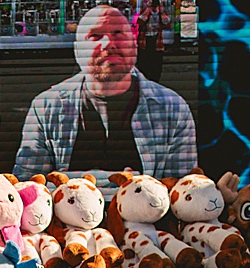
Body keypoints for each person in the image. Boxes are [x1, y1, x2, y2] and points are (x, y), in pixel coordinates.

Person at [14, 4, 196, 181]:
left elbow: (183, 193)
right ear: (77, 51)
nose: (109, 43)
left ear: (134, 45)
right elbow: (29, 186)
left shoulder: (173, 109)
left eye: (118, 34)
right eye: (95, 36)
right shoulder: (46, 106)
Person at [134, 0, 169, 82]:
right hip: (145, 40)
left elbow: (166, 22)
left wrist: (161, 9)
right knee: (144, 64)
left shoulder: (161, 13)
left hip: (157, 40)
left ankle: (155, 80)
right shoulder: (146, 11)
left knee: (156, 64)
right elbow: (140, 21)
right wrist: (148, 9)